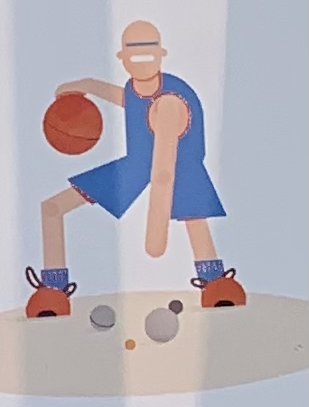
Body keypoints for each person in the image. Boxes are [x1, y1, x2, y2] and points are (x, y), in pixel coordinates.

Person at [28, 19, 242, 313]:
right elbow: (128, 99)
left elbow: (164, 171)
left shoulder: (170, 102)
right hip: (138, 165)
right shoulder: (136, 90)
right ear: (122, 57)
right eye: (135, 51)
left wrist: (155, 237)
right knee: (52, 208)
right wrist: (86, 85)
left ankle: (216, 282)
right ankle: (53, 289)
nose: (141, 58)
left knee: (193, 215)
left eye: (147, 50)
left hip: (181, 168)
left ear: (161, 54)